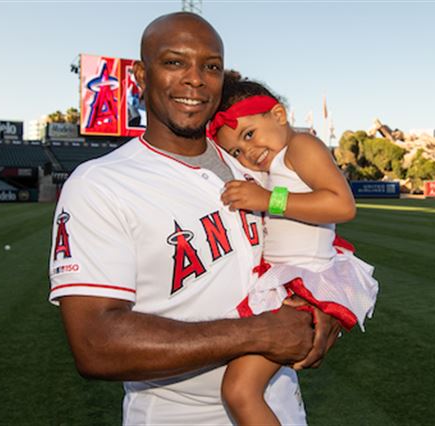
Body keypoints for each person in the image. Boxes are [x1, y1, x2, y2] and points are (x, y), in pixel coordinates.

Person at [49, 12, 343, 424]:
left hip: (280, 405)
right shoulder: (101, 184)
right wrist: (258, 333)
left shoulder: (253, 162)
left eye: (211, 66)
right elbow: (95, 343)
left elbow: (315, 238)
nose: (195, 79)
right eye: (174, 62)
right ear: (139, 75)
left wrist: (325, 307)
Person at [207, 72, 379, 425]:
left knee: (240, 391)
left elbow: (342, 205)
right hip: (284, 281)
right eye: (237, 150)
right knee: (244, 387)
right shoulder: (274, 163)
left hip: (308, 279)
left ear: (279, 115)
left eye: (250, 134)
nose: (249, 152)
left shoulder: (301, 146)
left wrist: (269, 199)